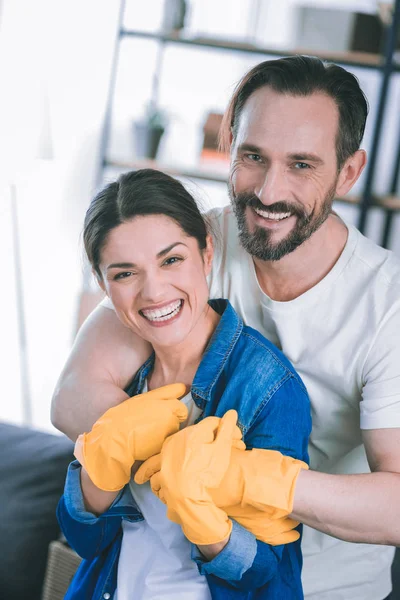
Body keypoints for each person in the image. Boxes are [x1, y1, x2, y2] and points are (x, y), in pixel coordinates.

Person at [52, 55, 400, 600]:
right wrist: (172, 451)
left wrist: (253, 478)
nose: (267, 191)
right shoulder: (191, 249)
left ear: (349, 171)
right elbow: (72, 395)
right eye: (254, 156)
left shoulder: (390, 305)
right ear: (230, 144)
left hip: (323, 588)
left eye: (302, 164)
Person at [57, 168, 311, 600]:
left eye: (171, 260)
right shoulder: (120, 376)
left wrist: (200, 511)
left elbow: (268, 576)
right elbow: (85, 540)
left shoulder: (266, 386)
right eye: (124, 274)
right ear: (103, 284)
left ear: (206, 253)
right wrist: (104, 462)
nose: (154, 291)